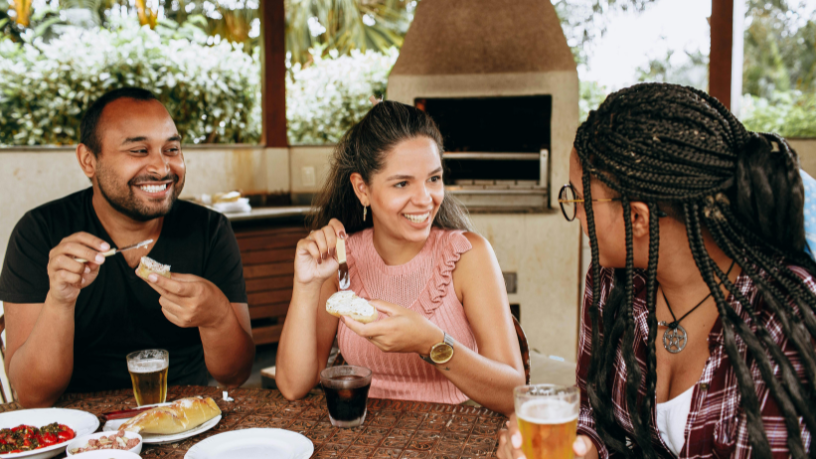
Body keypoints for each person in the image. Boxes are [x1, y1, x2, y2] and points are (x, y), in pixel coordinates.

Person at [498, 83, 814, 458]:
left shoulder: (780, 321)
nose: (576, 213)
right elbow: (594, 415)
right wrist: (580, 448)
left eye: (580, 199)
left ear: (636, 218)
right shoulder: (612, 283)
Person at [0, 88, 255, 407]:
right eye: (138, 151)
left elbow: (236, 375)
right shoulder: (40, 233)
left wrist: (216, 315)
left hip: (186, 417)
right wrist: (60, 301)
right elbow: (31, 396)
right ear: (88, 160)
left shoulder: (209, 231)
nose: (162, 168)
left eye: (171, 149)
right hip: (78, 427)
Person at [275, 101, 525, 415]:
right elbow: (293, 385)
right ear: (362, 189)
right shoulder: (340, 258)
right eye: (403, 183)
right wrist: (305, 284)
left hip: (457, 438)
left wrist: (431, 343)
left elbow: (515, 394)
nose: (425, 199)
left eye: (434, 179)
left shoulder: (468, 256)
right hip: (364, 438)